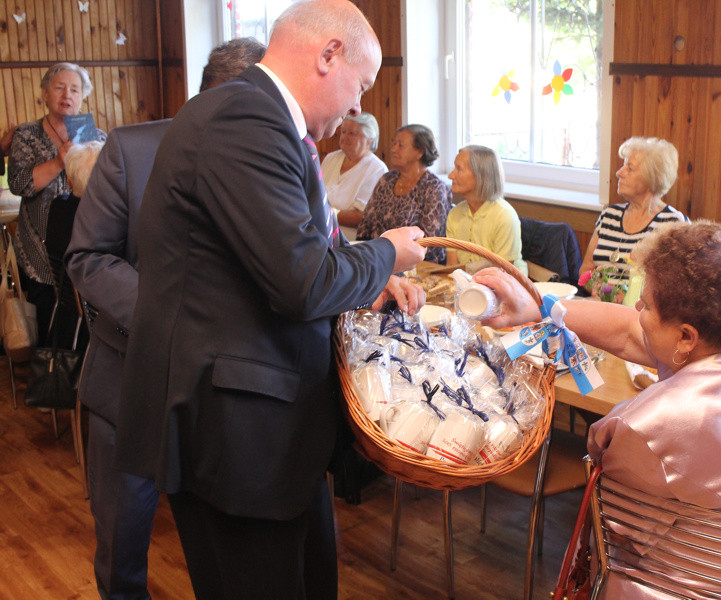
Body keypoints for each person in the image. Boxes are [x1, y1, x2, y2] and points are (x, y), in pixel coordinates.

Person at [112, 1, 426, 598]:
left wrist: (368, 276)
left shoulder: (264, 121)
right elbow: (302, 280)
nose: (359, 104)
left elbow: (288, 253)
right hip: (234, 436)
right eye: (361, 85)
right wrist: (385, 254)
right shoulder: (245, 119)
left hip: (271, 429)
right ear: (328, 54)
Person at [475, 220, 721, 598]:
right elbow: (630, 330)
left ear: (686, 336)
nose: (637, 305)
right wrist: (540, 309)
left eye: (648, 302)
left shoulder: (649, 427)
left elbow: (622, 538)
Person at [64, 37, 265, 600]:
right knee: (124, 551)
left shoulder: (278, 159)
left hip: (222, 400)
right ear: (231, 92)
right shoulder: (132, 149)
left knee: (223, 557)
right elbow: (88, 257)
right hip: (130, 386)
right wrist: (170, 319)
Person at [7, 62, 106, 345]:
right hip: (40, 249)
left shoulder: (95, 136)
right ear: (45, 94)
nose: (67, 95)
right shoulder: (27, 134)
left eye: (75, 89)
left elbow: (107, 186)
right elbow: (19, 184)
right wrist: (60, 161)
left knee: (88, 328)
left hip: (87, 241)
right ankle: (53, 380)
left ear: (82, 97)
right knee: (52, 329)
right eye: (60, 87)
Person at [579, 136, 686, 297]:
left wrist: (630, 298)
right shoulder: (609, 215)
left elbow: (675, 286)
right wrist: (600, 289)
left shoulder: (672, 223)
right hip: (601, 307)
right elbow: (586, 269)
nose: (619, 173)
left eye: (629, 168)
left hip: (640, 316)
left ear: (652, 177)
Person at [356, 123, 451, 263]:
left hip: (415, 266)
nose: (393, 149)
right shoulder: (387, 180)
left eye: (400, 145)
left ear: (419, 152)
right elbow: (365, 225)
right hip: (377, 261)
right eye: (394, 143)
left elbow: (429, 243)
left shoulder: (434, 188)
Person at [445, 144, 526, 275]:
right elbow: (452, 268)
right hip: (468, 287)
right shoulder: (455, 214)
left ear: (481, 175)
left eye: (459, 169)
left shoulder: (504, 216)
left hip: (506, 287)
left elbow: (502, 276)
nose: (450, 175)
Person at [321, 112, 387, 239]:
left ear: (369, 140)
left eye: (351, 133)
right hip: (320, 234)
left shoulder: (377, 169)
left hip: (350, 241)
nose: (344, 137)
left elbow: (362, 216)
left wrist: (324, 213)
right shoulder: (331, 158)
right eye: (343, 132)